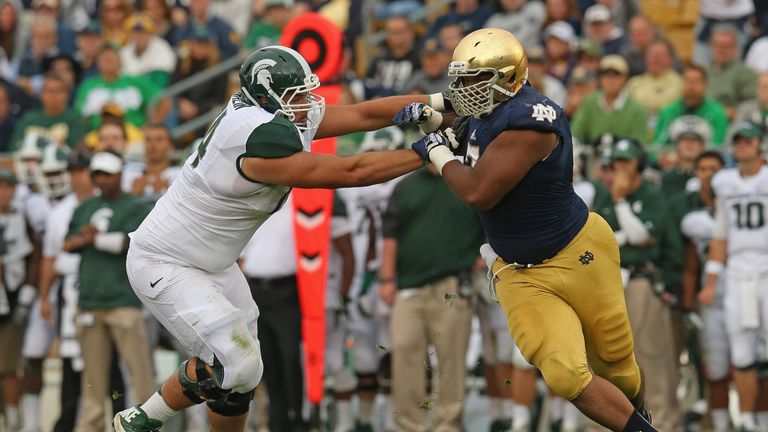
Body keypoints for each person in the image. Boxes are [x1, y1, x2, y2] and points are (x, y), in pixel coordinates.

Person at [113, 45, 443, 432]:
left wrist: (441, 101)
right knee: (237, 362)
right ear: (268, 97)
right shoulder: (255, 138)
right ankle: (144, 419)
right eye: (297, 96)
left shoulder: (270, 113)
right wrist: (428, 150)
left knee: (244, 377)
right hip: (166, 261)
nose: (307, 103)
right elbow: (351, 171)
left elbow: (361, 113)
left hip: (213, 262)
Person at [396, 28, 653, 431]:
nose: (462, 90)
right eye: (459, 79)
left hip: (579, 252)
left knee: (618, 367)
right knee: (565, 374)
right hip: (519, 270)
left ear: (508, 78)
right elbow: (474, 124)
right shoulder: (498, 106)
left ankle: (638, 415)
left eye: (472, 80)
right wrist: (436, 118)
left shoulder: (533, 121)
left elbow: (479, 191)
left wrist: (436, 148)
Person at [378, 163, 484, 432]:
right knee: (404, 354)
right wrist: (387, 279)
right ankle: (410, 425)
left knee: (451, 362)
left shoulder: (469, 181)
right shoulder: (406, 186)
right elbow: (390, 234)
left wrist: (483, 256)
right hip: (408, 287)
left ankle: (448, 424)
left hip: (452, 284)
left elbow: (491, 223)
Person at [592, 139, 683, 432]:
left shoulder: (652, 196)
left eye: (626, 161)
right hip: (610, 282)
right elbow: (602, 241)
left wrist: (621, 205)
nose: (619, 168)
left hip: (644, 281)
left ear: (639, 164)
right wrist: (626, 235)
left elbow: (644, 237)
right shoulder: (604, 198)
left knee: (652, 355)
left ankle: (664, 423)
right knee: (608, 356)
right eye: (615, 162)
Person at [64, 151, 156, 432]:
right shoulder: (85, 206)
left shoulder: (136, 205)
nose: (102, 179)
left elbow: (129, 242)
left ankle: (150, 424)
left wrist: (92, 239)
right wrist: (88, 239)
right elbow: (67, 243)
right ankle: (92, 426)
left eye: (107, 174)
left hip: (123, 300)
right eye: (97, 175)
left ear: (120, 174)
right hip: (90, 300)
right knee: (92, 378)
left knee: (140, 373)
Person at [704, 122, 768, 432]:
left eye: (748, 141)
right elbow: (721, 234)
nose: (743, 146)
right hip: (739, 270)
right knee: (742, 353)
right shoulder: (725, 182)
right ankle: (748, 421)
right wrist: (712, 279)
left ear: (759, 143)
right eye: (738, 141)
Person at [679, 150, 731, 432]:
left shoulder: (745, 206)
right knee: (717, 370)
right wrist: (688, 307)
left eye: (715, 168)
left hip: (746, 291)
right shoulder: (694, 220)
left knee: (756, 368)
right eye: (703, 169)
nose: (709, 175)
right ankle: (722, 426)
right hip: (712, 301)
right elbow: (690, 267)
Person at [0, 168, 35, 432]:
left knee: (9, 364)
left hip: (10, 298)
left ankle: (13, 419)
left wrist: (26, 294)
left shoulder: (20, 218)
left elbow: (34, 254)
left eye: (7, 187)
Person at [571, 54, 648, 147]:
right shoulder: (590, 102)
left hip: (623, 159)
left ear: (625, 78)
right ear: (600, 78)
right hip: (592, 157)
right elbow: (575, 134)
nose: (610, 80)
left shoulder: (637, 109)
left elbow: (638, 145)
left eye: (616, 75)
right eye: (606, 74)